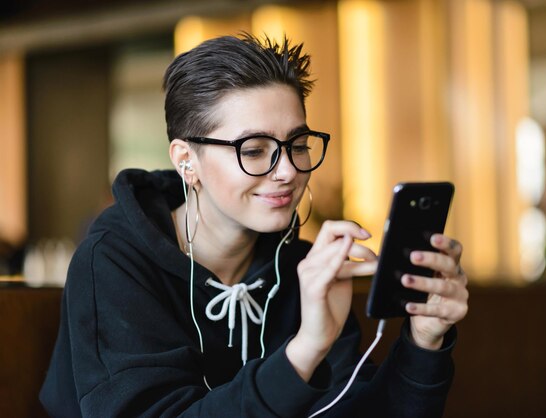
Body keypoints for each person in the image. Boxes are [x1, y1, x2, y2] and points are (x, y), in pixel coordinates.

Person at [40, 33, 469, 417]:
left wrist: (424, 341)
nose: (286, 170)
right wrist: (303, 352)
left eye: (297, 144)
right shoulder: (115, 262)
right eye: (255, 149)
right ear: (186, 160)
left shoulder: (302, 268)